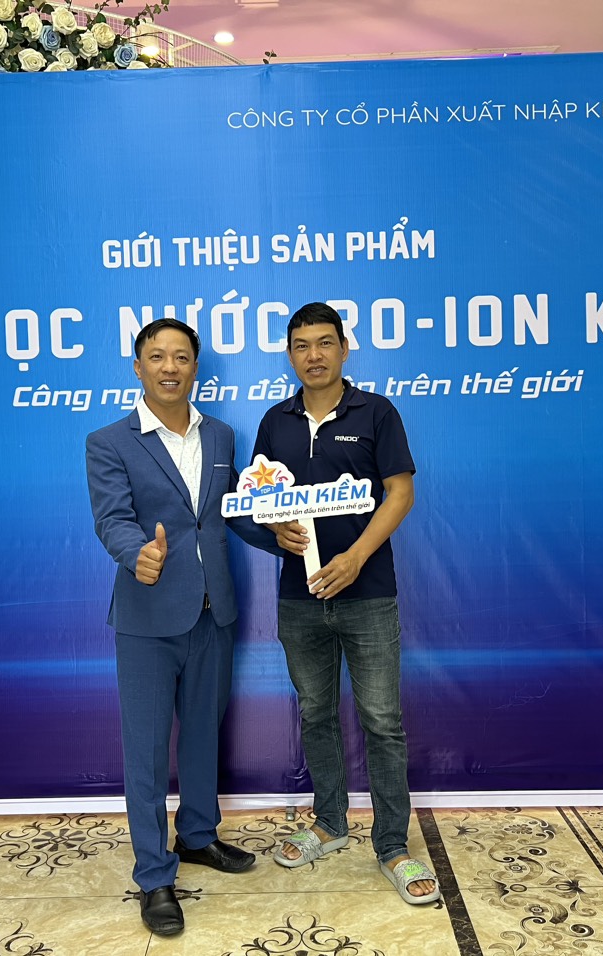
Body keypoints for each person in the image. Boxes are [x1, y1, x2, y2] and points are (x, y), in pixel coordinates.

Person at [250, 301, 439, 904]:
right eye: (301, 345)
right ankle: (329, 824)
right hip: (300, 597)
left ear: (344, 348)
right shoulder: (275, 421)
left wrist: (356, 557)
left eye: (325, 342)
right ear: (289, 355)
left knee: (382, 720)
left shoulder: (376, 412)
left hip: (368, 596)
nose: (314, 355)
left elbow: (400, 492)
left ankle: (393, 845)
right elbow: (260, 498)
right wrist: (274, 526)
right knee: (316, 714)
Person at [85, 318, 265, 936]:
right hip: (148, 618)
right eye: (157, 357)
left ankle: (197, 836)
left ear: (195, 367)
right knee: (145, 750)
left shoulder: (221, 435)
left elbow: (231, 513)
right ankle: (155, 876)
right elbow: (112, 518)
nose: (170, 367)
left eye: (181, 357)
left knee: (202, 736)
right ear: (138, 368)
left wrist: (284, 534)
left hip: (214, 612)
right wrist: (136, 553)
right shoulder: (109, 442)